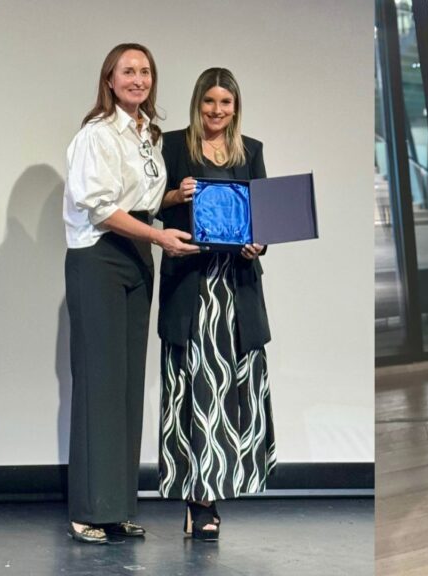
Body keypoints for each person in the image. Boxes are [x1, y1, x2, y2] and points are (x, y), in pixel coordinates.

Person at [62, 43, 198, 545]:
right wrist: (161, 236)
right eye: (128, 71)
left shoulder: (146, 134)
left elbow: (137, 202)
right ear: (110, 80)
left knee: (125, 385)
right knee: (99, 383)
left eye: (145, 71)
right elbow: (100, 209)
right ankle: (87, 512)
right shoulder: (97, 135)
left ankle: (116, 508)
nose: (138, 79)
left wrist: (173, 199)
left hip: (137, 252)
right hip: (100, 257)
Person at [156, 67, 277, 541]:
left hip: (236, 291)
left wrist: (259, 245)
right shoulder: (173, 146)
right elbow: (147, 209)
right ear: (197, 103)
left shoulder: (253, 152)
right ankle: (198, 501)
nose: (217, 111)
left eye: (225, 103)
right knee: (194, 393)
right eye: (210, 102)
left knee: (231, 395)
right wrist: (174, 193)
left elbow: (264, 221)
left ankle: (217, 491)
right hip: (191, 288)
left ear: (235, 107)